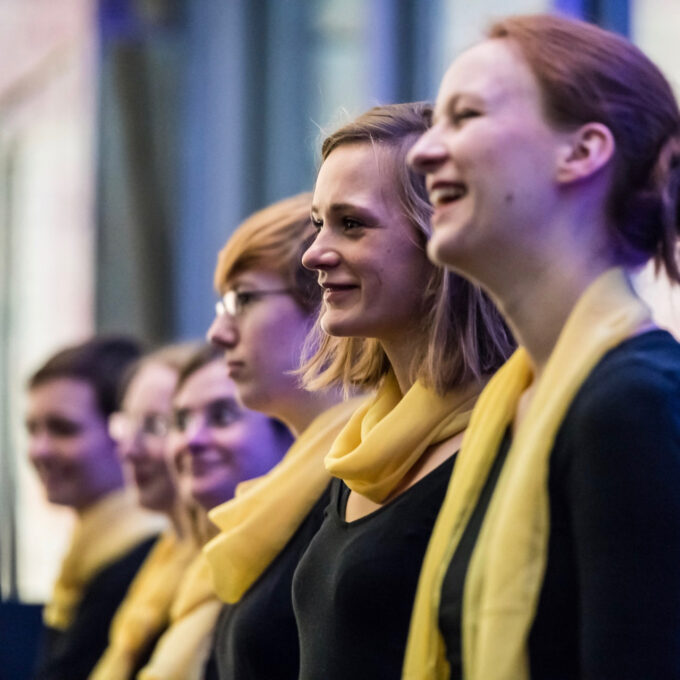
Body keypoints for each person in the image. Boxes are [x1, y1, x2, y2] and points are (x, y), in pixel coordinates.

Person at [405, 13, 680, 680]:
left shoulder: (632, 403)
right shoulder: (514, 406)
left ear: (581, 152)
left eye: (465, 116)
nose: (421, 151)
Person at [292, 102, 514, 679]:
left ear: (444, 243)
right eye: (319, 222)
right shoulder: (362, 449)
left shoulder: (506, 438)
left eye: (353, 224)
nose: (314, 254)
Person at [204, 193, 363, 680]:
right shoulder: (288, 488)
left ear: (325, 294)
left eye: (244, 299)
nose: (218, 333)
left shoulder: (365, 468)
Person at [137, 345, 293, 680]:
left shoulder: (295, 570)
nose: (191, 439)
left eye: (221, 416)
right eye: (180, 421)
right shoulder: (198, 570)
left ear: (288, 432)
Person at [26, 336, 165, 680]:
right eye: (32, 429)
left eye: (62, 429)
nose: (39, 450)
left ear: (124, 433)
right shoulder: (92, 554)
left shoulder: (138, 562)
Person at [90, 343, 200, 680]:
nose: (128, 449)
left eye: (154, 426)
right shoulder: (155, 563)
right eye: (126, 424)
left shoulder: (223, 569)